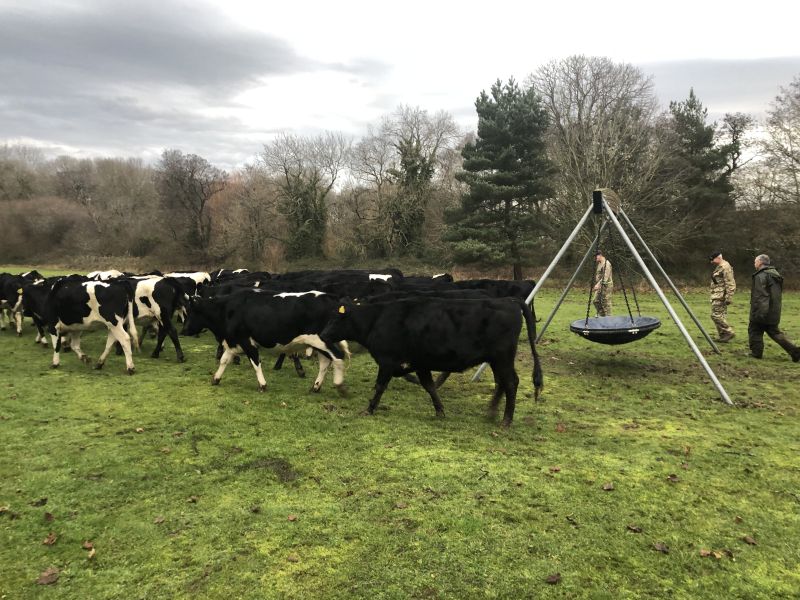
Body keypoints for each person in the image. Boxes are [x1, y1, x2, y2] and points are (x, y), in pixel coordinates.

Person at [748, 253, 800, 362]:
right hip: (774, 311)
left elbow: (761, 295)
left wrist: (759, 314)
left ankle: (756, 353)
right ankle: (795, 351)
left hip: (763, 311)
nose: (754, 263)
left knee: (754, 330)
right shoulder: (775, 274)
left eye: (755, 261)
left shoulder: (760, 276)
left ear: (760, 262)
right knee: (775, 333)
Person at [709, 251, 736, 342]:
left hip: (721, 296)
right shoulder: (720, 267)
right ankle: (723, 336)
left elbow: (730, 283)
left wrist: (729, 297)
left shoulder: (725, 267)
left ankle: (729, 332)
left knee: (715, 315)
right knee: (720, 316)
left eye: (713, 259)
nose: (711, 262)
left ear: (718, 258)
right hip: (717, 295)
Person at [593, 250, 613, 317]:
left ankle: (608, 318)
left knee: (606, 302)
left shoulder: (606, 264)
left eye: (596, 257)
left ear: (600, 255)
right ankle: (603, 316)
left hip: (606, 286)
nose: (595, 259)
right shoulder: (599, 263)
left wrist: (598, 285)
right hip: (600, 285)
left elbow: (605, 277)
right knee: (595, 301)